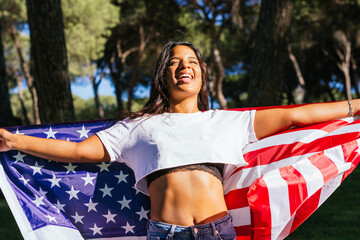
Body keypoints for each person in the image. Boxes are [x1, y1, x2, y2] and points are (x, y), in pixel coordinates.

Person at [0, 41, 359, 240]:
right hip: (164, 234)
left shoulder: (228, 122)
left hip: (218, 232)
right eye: (173, 62)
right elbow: (77, 151)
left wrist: (354, 106)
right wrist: (13, 141)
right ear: (162, 77)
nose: (182, 66)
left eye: (191, 61)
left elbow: (297, 115)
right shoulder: (138, 128)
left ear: (202, 75)